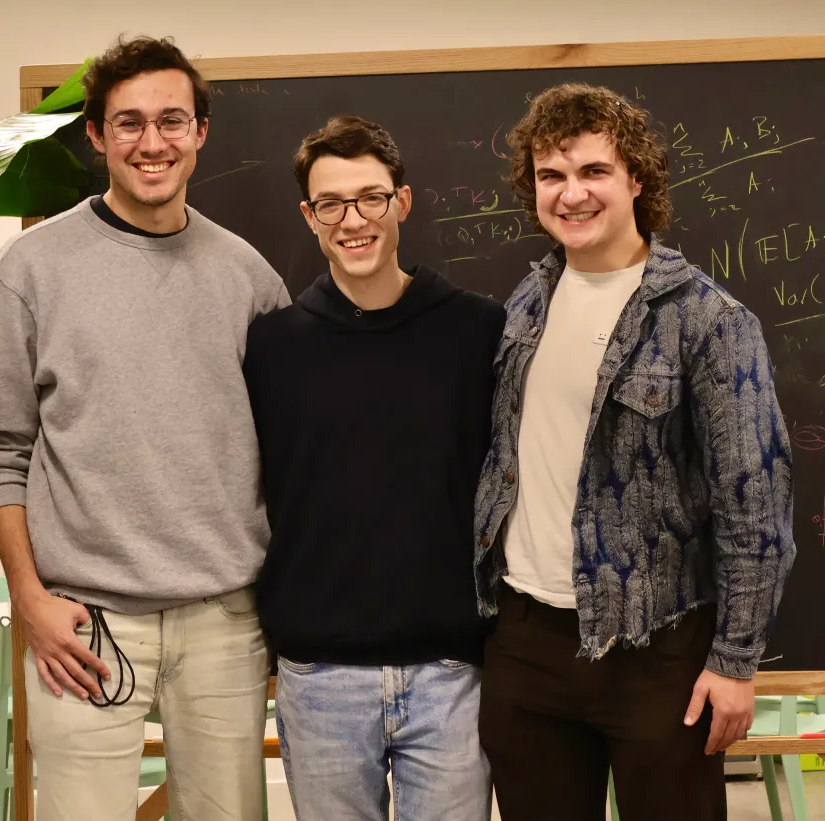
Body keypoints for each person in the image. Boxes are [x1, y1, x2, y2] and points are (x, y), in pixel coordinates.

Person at [0, 35, 289, 821]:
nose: (153, 142)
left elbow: (291, 450)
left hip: (225, 620)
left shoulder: (249, 275)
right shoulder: (32, 271)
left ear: (201, 131)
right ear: (98, 135)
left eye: (172, 120)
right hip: (82, 621)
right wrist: (29, 596)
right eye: (130, 122)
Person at [473, 82, 797, 820]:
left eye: (593, 172)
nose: (572, 193)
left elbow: (755, 502)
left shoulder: (708, 321)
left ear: (636, 179)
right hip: (526, 644)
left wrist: (735, 662)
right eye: (551, 176)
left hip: (657, 653)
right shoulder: (528, 301)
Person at [243, 114, 505, 821]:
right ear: (309, 216)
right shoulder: (272, 346)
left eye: (370, 198)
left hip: (450, 670)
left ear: (403, 202)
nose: (352, 220)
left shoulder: (477, 330)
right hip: (320, 673)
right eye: (331, 203)